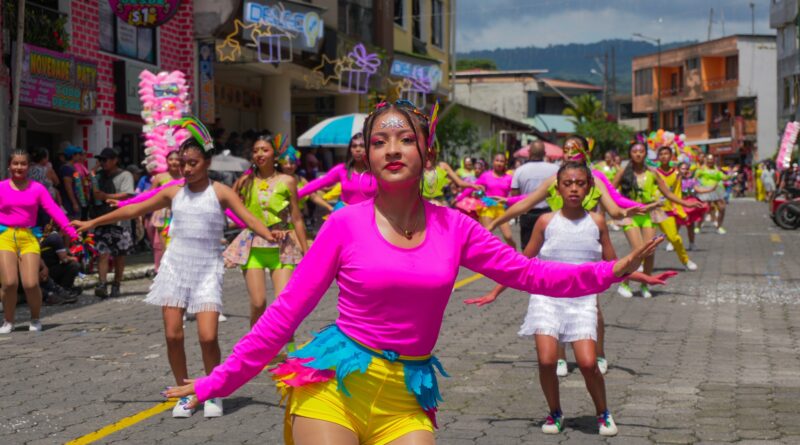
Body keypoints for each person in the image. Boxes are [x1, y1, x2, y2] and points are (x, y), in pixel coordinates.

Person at [164, 101, 663, 444]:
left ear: (428, 153)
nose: (392, 149)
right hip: (335, 385)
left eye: (406, 139)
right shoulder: (343, 225)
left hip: (407, 395)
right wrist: (217, 382)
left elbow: (532, 275)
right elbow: (284, 315)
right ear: (368, 155)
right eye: (380, 141)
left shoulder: (456, 227)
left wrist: (611, 271)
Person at [72, 118, 278, 418]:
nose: (187, 169)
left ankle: (211, 389)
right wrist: (92, 222)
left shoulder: (221, 192)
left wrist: (271, 235)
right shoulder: (173, 193)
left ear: (207, 162)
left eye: (193, 163)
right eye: (183, 163)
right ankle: (184, 392)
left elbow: (248, 218)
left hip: (207, 269)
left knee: (208, 337)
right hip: (175, 268)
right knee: (173, 335)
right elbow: (134, 209)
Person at [465, 162, 676, 436]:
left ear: (589, 187)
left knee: (588, 364)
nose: (574, 188)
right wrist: (495, 291)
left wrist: (644, 277)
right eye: (567, 183)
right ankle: (555, 412)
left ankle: (603, 412)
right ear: (558, 188)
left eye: (579, 183)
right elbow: (522, 264)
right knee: (547, 361)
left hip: (582, 300)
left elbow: (613, 266)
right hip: (546, 298)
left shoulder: (597, 222)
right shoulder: (545, 222)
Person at [225, 134, 309, 328]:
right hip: (253, 249)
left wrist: (306, 251)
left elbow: (296, 217)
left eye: (265, 150)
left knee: (284, 304)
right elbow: (229, 206)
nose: (259, 154)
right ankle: (255, 343)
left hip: (282, 249)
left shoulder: (288, 181)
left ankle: (288, 344)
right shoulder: (244, 181)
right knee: (258, 303)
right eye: (255, 151)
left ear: (275, 155)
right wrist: (245, 224)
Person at [0, 150, 79, 333]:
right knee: (9, 283)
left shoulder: (37, 189)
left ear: (29, 167)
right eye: (15, 163)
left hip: (29, 237)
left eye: (23, 164)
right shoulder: (1, 187)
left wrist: (72, 232)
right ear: (9, 166)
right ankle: (8, 321)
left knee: (31, 283)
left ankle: (35, 318)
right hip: (5, 236)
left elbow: (54, 210)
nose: (19, 167)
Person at [613, 143, 702, 298]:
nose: (638, 154)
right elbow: (610, 191)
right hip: (631, 215)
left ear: (646, 154)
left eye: (641, 151)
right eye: (634, 151)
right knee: (638, 250)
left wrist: (686, 203)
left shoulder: (652, 172)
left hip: (649, 214)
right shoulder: (623, 171)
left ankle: (645, 285)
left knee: (649, 251)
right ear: (630, 154)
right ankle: (624, 283)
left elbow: (668, 193)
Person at [90, 148, 135, 299]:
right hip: (102, 219)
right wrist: (92, 175)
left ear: (115, 160)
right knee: (102, 253)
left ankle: (116, 284)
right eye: (100, 160)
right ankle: (102, 284)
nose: (102, 163)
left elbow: (127, 194)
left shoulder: (125, 175)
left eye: (105, 160)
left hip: (120, 221)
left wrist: (106, 196)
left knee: (119, 256)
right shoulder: (99, 176)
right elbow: (94, 193)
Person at [298, 133, 376, 212]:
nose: (358, 149)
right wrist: (297, 194)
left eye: (362, 146)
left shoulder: (377, 171)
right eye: (354, 146)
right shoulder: (342, 169)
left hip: (370, 215)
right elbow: (318, 183)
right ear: (350, 150)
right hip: (346, 215)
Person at [654, 146, 699, 271]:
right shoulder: (653, 172)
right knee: (648, 240)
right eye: (661, 154)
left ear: (671, 156)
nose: (664, 156)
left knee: (674, 238)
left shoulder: (676, 173)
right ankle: (640, 263)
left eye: (666, 153)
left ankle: (685, 260)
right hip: (652, 209)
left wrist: (680, 210)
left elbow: (677, 193)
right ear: (658, 157)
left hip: (667, 210)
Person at [511, 140, 559, 247]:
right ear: (545, 153)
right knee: (547, 246)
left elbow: (515, 195)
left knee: (527, 247)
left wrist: (516, 214)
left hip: (527, 213)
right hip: (549, 213)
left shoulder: (520, 171)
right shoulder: (555, 169)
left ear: (529, 152)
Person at [474, 153, 516, 247]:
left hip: (501, 209)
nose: (499, 163)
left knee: (508, 236)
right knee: (487, 236)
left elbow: (514, 195)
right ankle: (486, 255)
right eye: (497, 160)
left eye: (502, 161)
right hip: (487, 207)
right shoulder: (485, 176)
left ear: (505, 163)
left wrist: (510, 203)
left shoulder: (509, 178)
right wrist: (477, 193)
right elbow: (474, 189)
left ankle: (515, 253)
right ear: (493, 162)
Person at [695, 153, 729, 234]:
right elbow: (695, 178)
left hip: (716, 190)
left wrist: (729, 175)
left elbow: (723, 177)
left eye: (712, 159)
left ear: (714, 160)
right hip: (706, 190)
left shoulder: (716, 169)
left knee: (722, 208)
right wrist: (698, 186)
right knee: (703, 209)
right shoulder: (701, 169)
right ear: (706, 160)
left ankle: (719, 227)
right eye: (709, 159)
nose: (710, 161)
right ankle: (698, 226)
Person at [59, 145, 91, 220]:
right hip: (69, 203)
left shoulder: (72, 167)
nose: (80, 156)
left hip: (77, 200)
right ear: (73, 155)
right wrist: (74, 203)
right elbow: (68, 188)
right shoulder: (66, 168)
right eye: (78, 154)